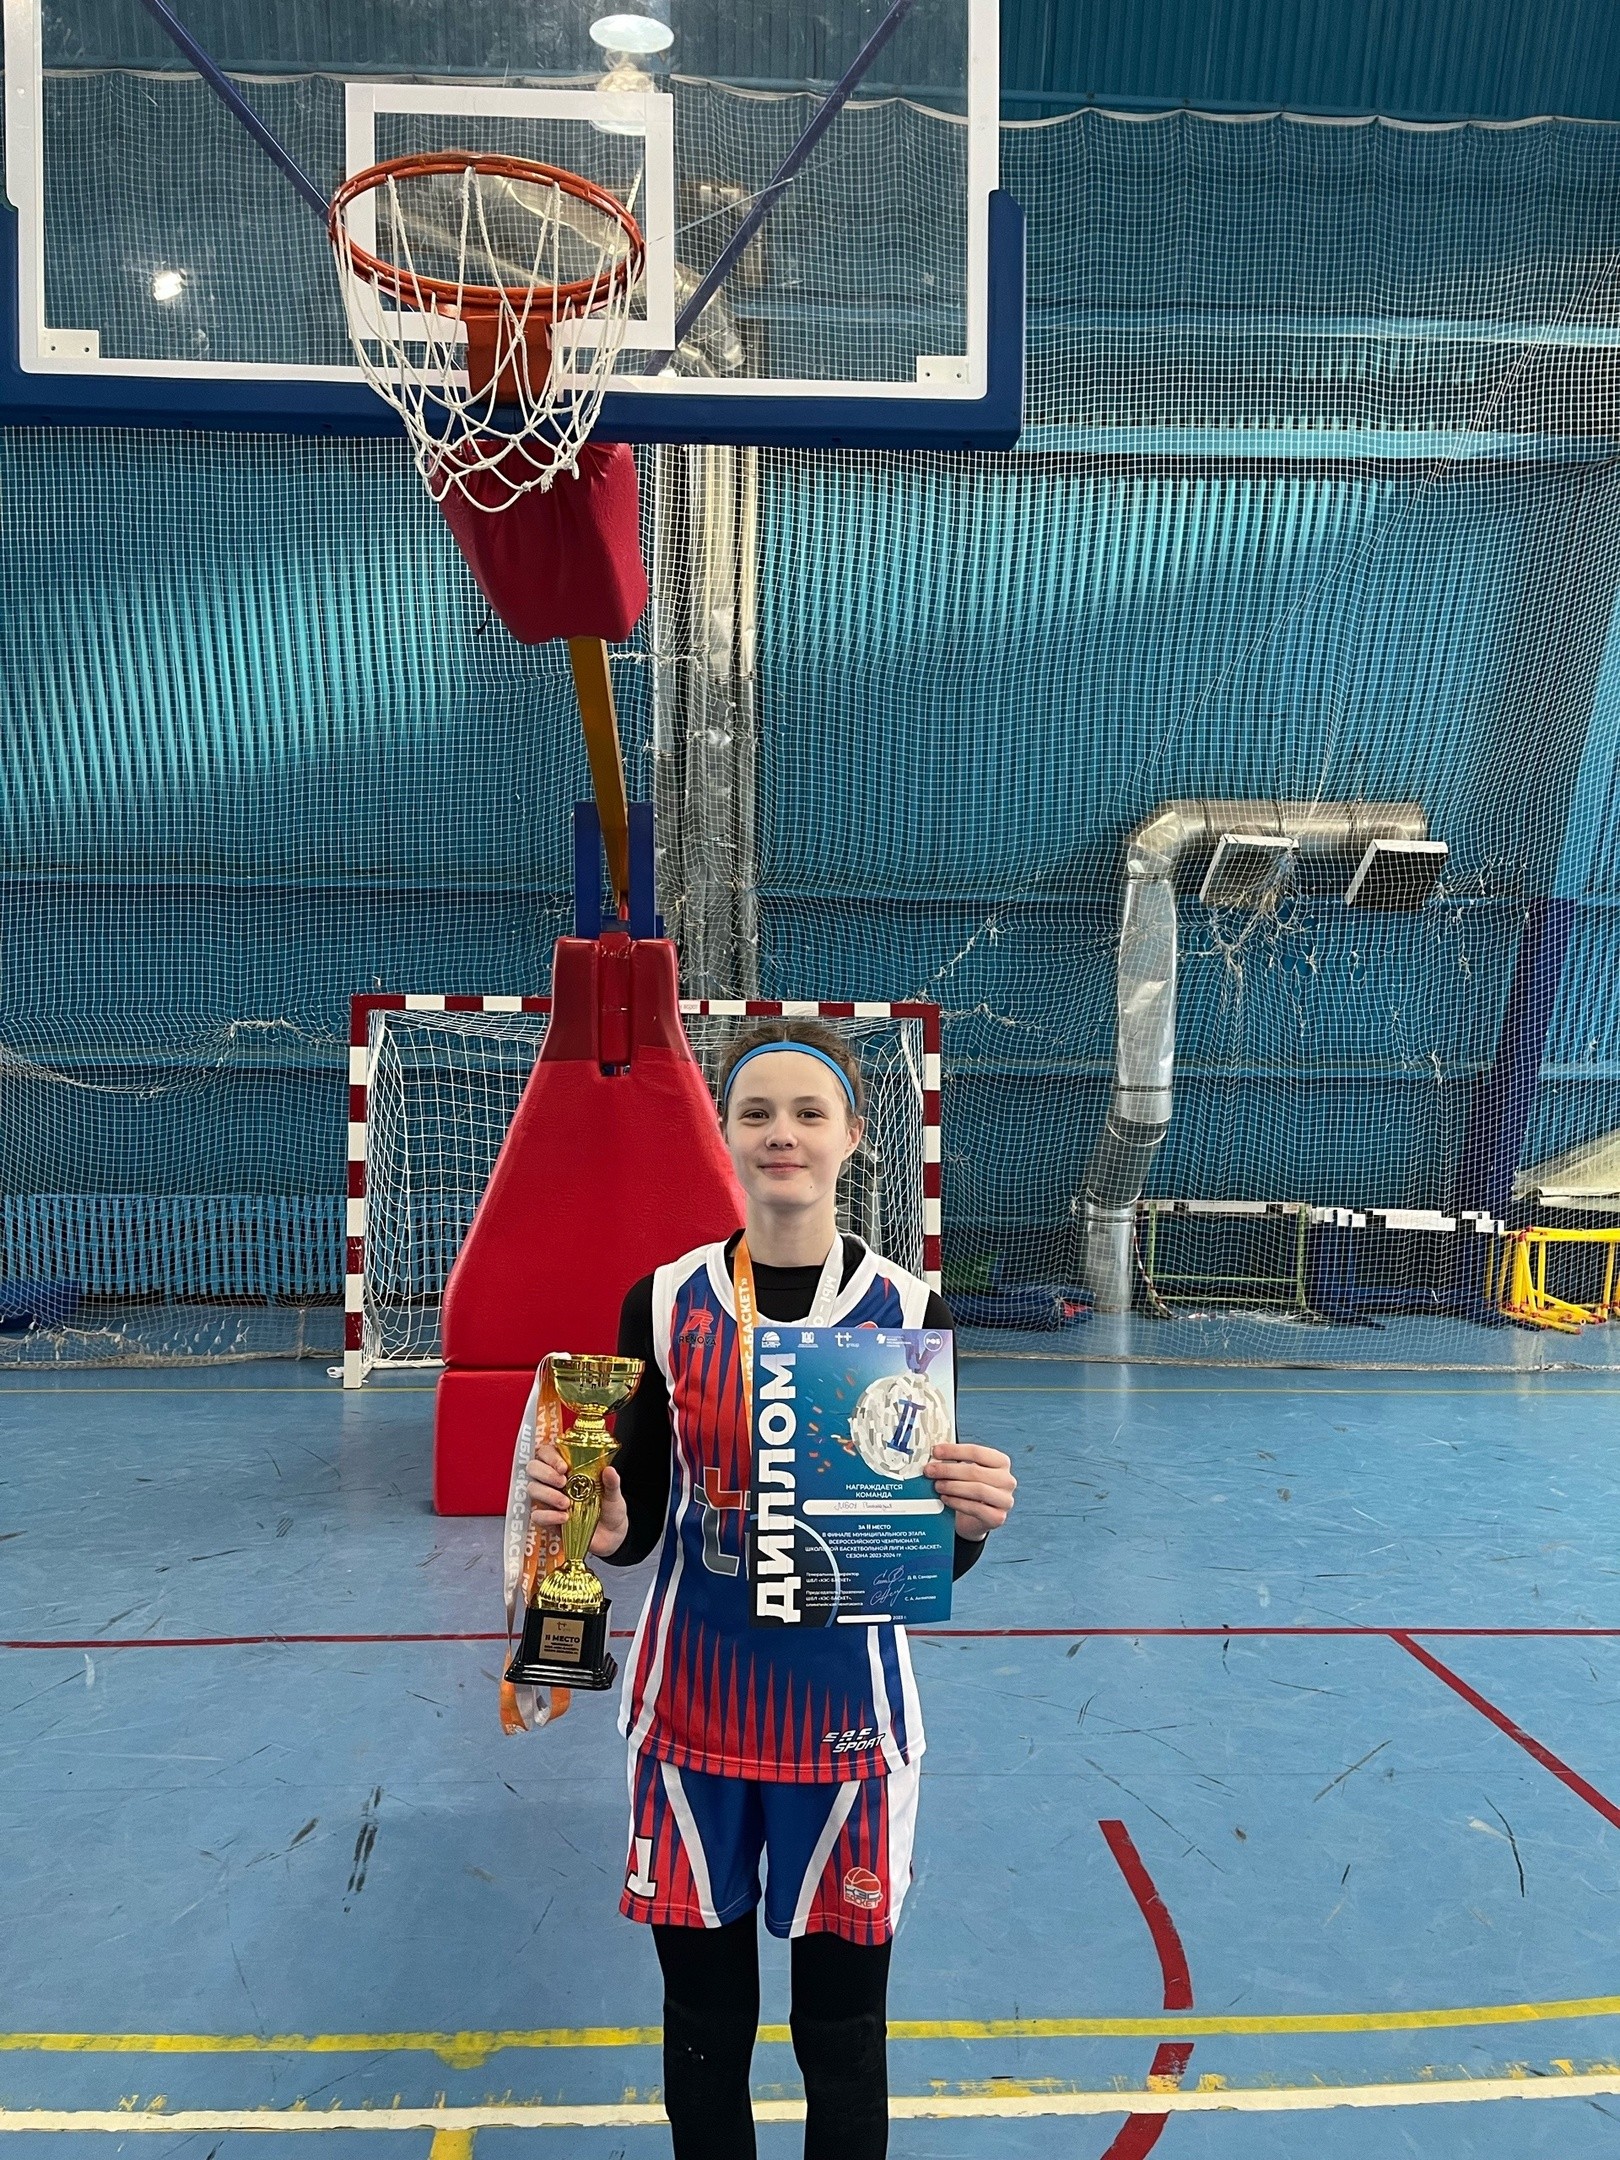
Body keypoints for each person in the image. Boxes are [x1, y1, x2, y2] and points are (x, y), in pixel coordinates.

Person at [527, 1019, 1016, 2159]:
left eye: (808, 1112)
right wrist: (599, 1522)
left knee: (841, 2033)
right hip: (689, 1719)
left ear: (854, 1136)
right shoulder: (661, 1302)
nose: (782, 1134)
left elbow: (918, 1555)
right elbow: (638, 1523)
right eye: (756, 1112)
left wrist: (969, 1525)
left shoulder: (909, 1313)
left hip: (849, 1725)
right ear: (727, 1135)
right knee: (705, 2028)